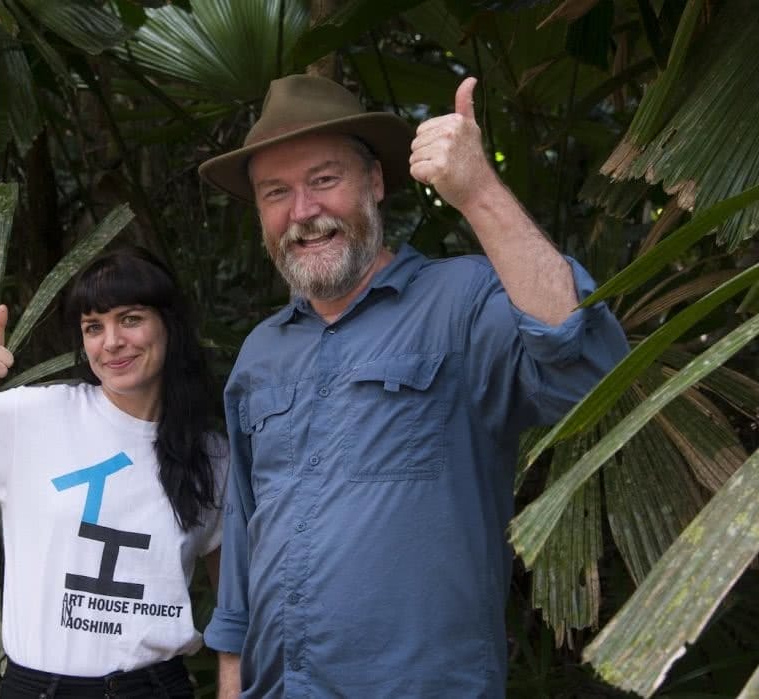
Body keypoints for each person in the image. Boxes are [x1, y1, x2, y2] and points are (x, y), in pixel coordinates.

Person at [196, 74, 629, 697]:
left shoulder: (465, 299)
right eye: (276, 192)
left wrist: (479, 192)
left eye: (324, 180)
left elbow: (590, 373)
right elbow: (242, 536)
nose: (303, 211)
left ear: (374, 182)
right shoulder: (261, 351)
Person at [0, 247, 227, 698]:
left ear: (169, 325)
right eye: (93, 327)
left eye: (130, 319)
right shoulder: (38, 415)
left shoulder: (213, 457)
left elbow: (236, 607)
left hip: (154, 687)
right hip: (36, 688)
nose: (111, 341)